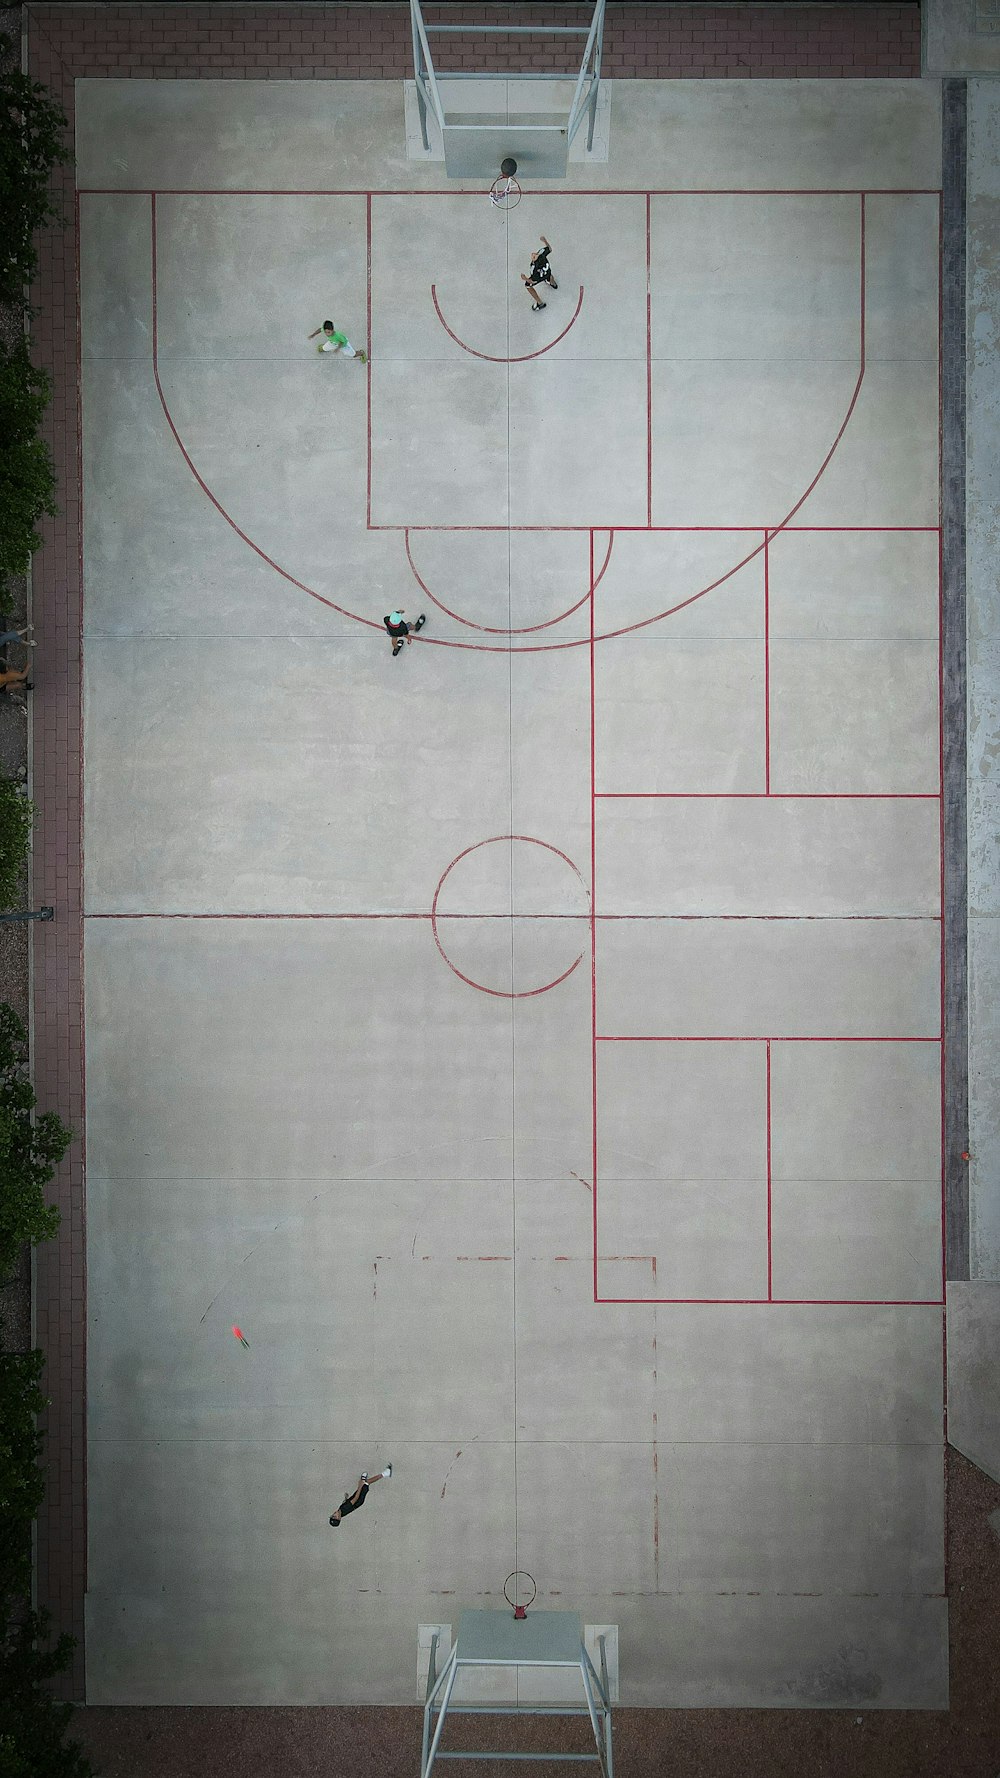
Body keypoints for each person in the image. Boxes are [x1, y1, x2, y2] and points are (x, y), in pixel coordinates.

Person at [521, 237, 558, 312]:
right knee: (549, 275)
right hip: (547, 272)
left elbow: (533, 281)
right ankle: (553, 284)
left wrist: (525, 278)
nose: (533, 254)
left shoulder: (533, 267)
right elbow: (550, 249)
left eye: (533, 256)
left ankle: (539, 303)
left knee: (527, 285)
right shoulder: (541, 254)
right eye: (534, 254)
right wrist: (545, 241)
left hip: (539, 277)